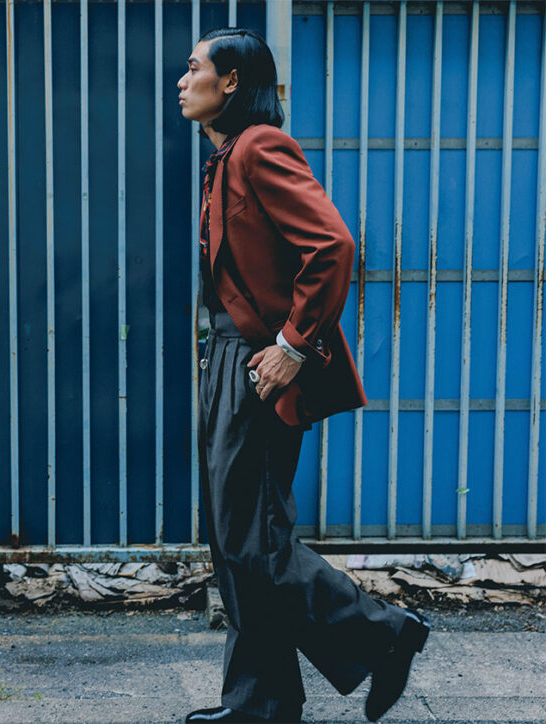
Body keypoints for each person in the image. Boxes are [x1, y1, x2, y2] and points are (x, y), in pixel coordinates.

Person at [177, 27, 431, 724]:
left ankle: (385, 634)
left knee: (254, 540)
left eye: (195, 67)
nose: (183, 80)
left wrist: (292, 345)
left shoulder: (260, 147)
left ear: (232, 81)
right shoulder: (226, 156)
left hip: (259, 365)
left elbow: (333, 245)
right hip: (228, 359)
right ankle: (261, 701)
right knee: (236, 543)